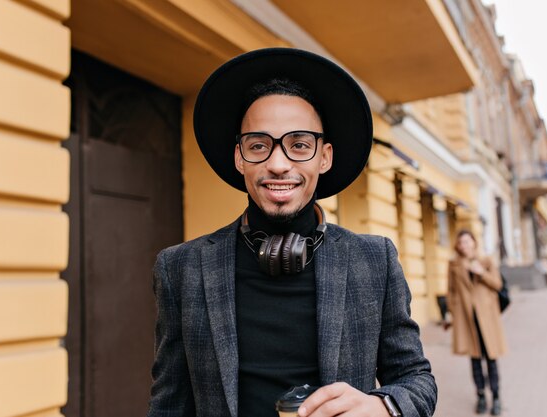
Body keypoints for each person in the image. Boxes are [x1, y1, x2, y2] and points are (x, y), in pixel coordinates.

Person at [147, 48, 437, 417]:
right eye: (258, 146)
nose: (278, 164)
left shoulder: (374, 260)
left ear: (324, 157)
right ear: (239, 158)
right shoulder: (179, 269)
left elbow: (416, 379)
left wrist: (382, 407)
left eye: (299, 145)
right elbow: (168, 404)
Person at [446, 230, 508, 415]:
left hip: (487, 317)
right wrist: (452, 312)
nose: (464, 245)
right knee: (474, 359)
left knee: (491, 357)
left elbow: (498, 284)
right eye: (461, 242)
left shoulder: (486, 261)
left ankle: (496, 397)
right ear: (458, 245)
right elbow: (451, 290)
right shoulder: (453, 264)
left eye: (467, 241)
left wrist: (481, 273)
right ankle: (481, 396)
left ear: (474, 242)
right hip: (467, 318)